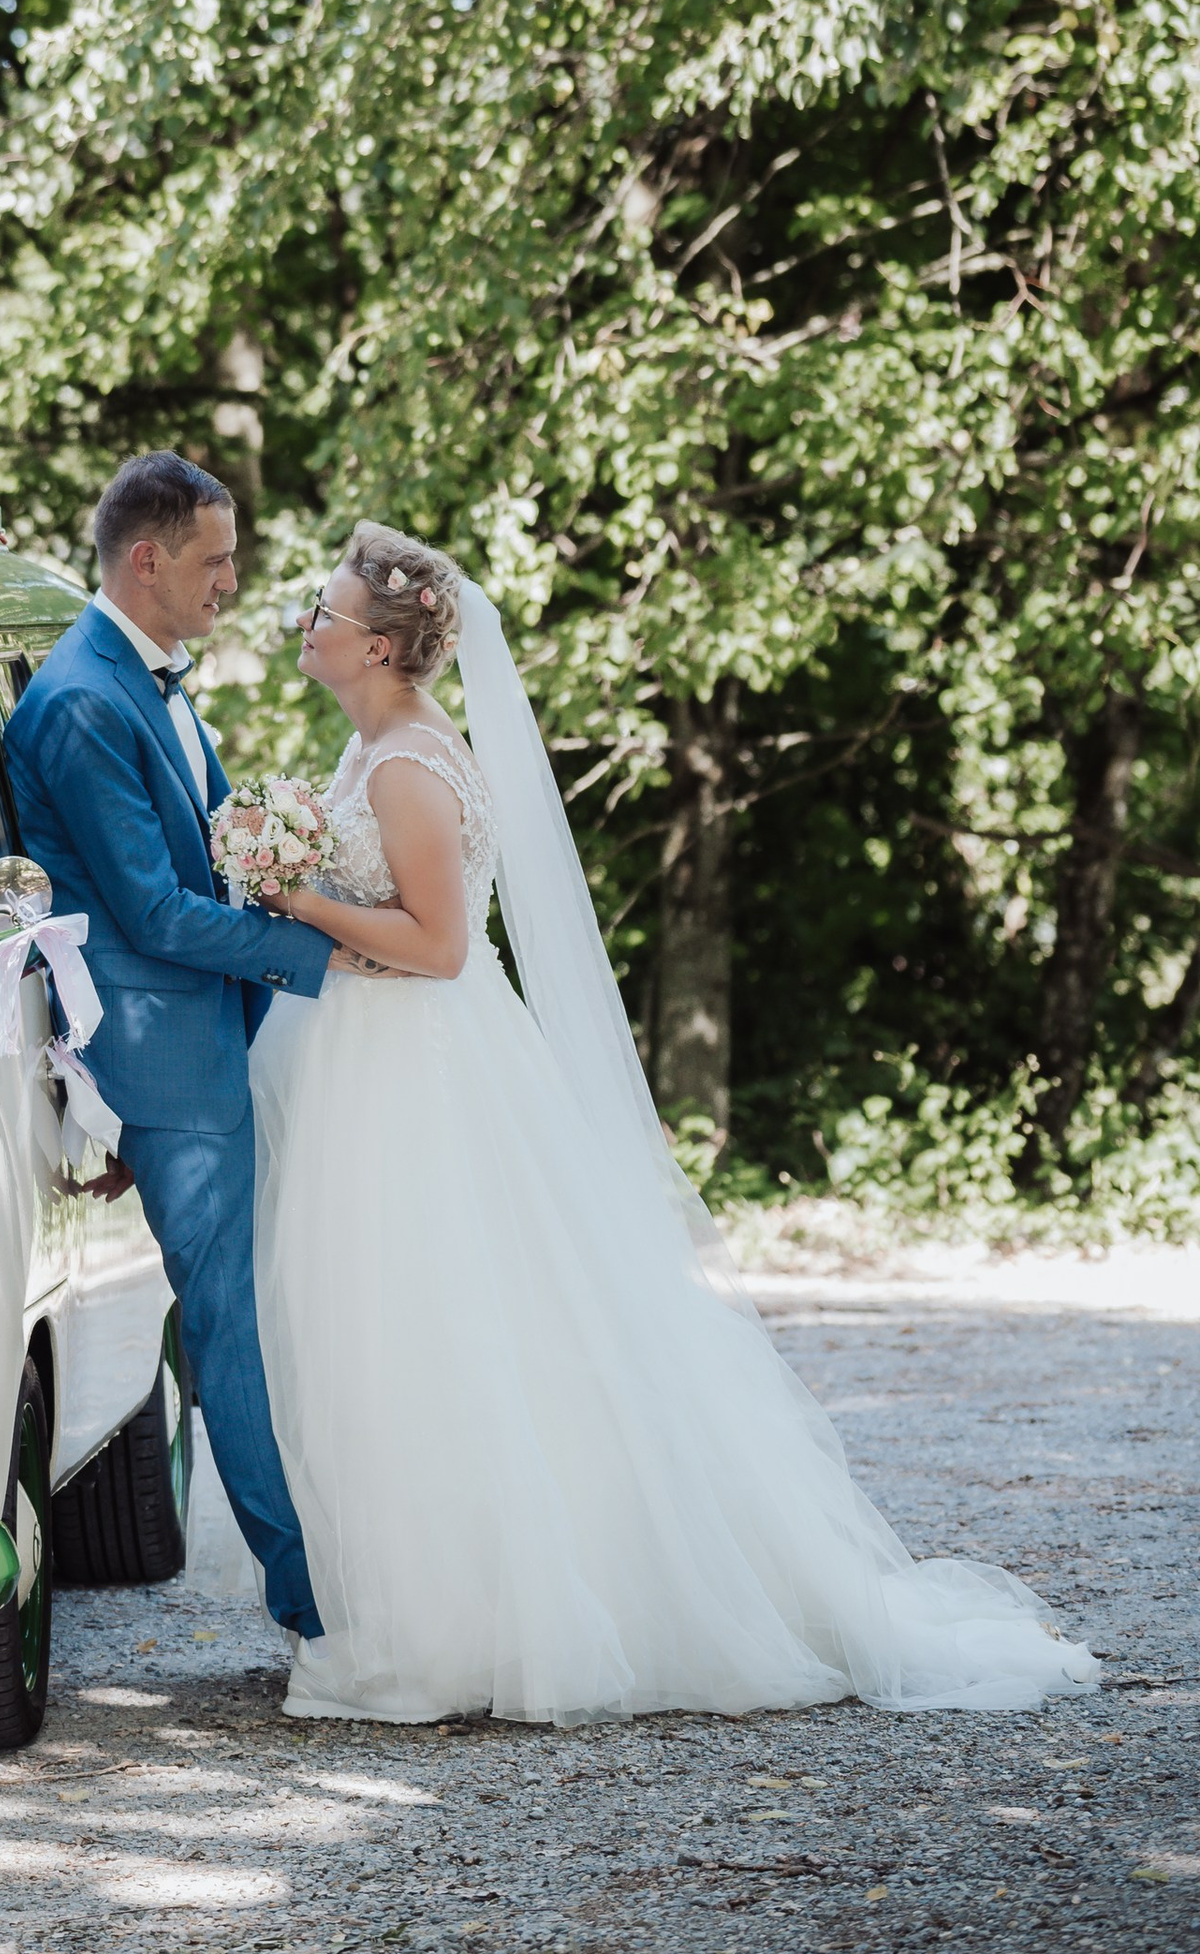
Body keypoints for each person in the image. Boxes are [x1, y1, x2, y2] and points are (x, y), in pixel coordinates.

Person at [239, 519, 1100, 1725]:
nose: (302, 628)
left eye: (320, 615)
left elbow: (437, 949)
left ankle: (468, 1624)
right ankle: (413, 1599)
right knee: (394, 1330)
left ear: (379, 645)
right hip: (374, 1059)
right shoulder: (376, 742)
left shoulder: (405, 768)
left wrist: (295, 898)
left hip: (417, 1068)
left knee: (432, 1325)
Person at [0, 451, 345, 1642]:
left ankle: (320, 1579)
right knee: (226, 1323)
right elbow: (149, 913)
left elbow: (207, 849)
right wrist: (327, 958)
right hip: (164, 1050)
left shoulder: (145, 678)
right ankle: (311, 1605)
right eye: (215, 559)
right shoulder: (87, 697)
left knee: (253, 1308)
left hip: (199, 1029)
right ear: (144, 559)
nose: (232, 581)